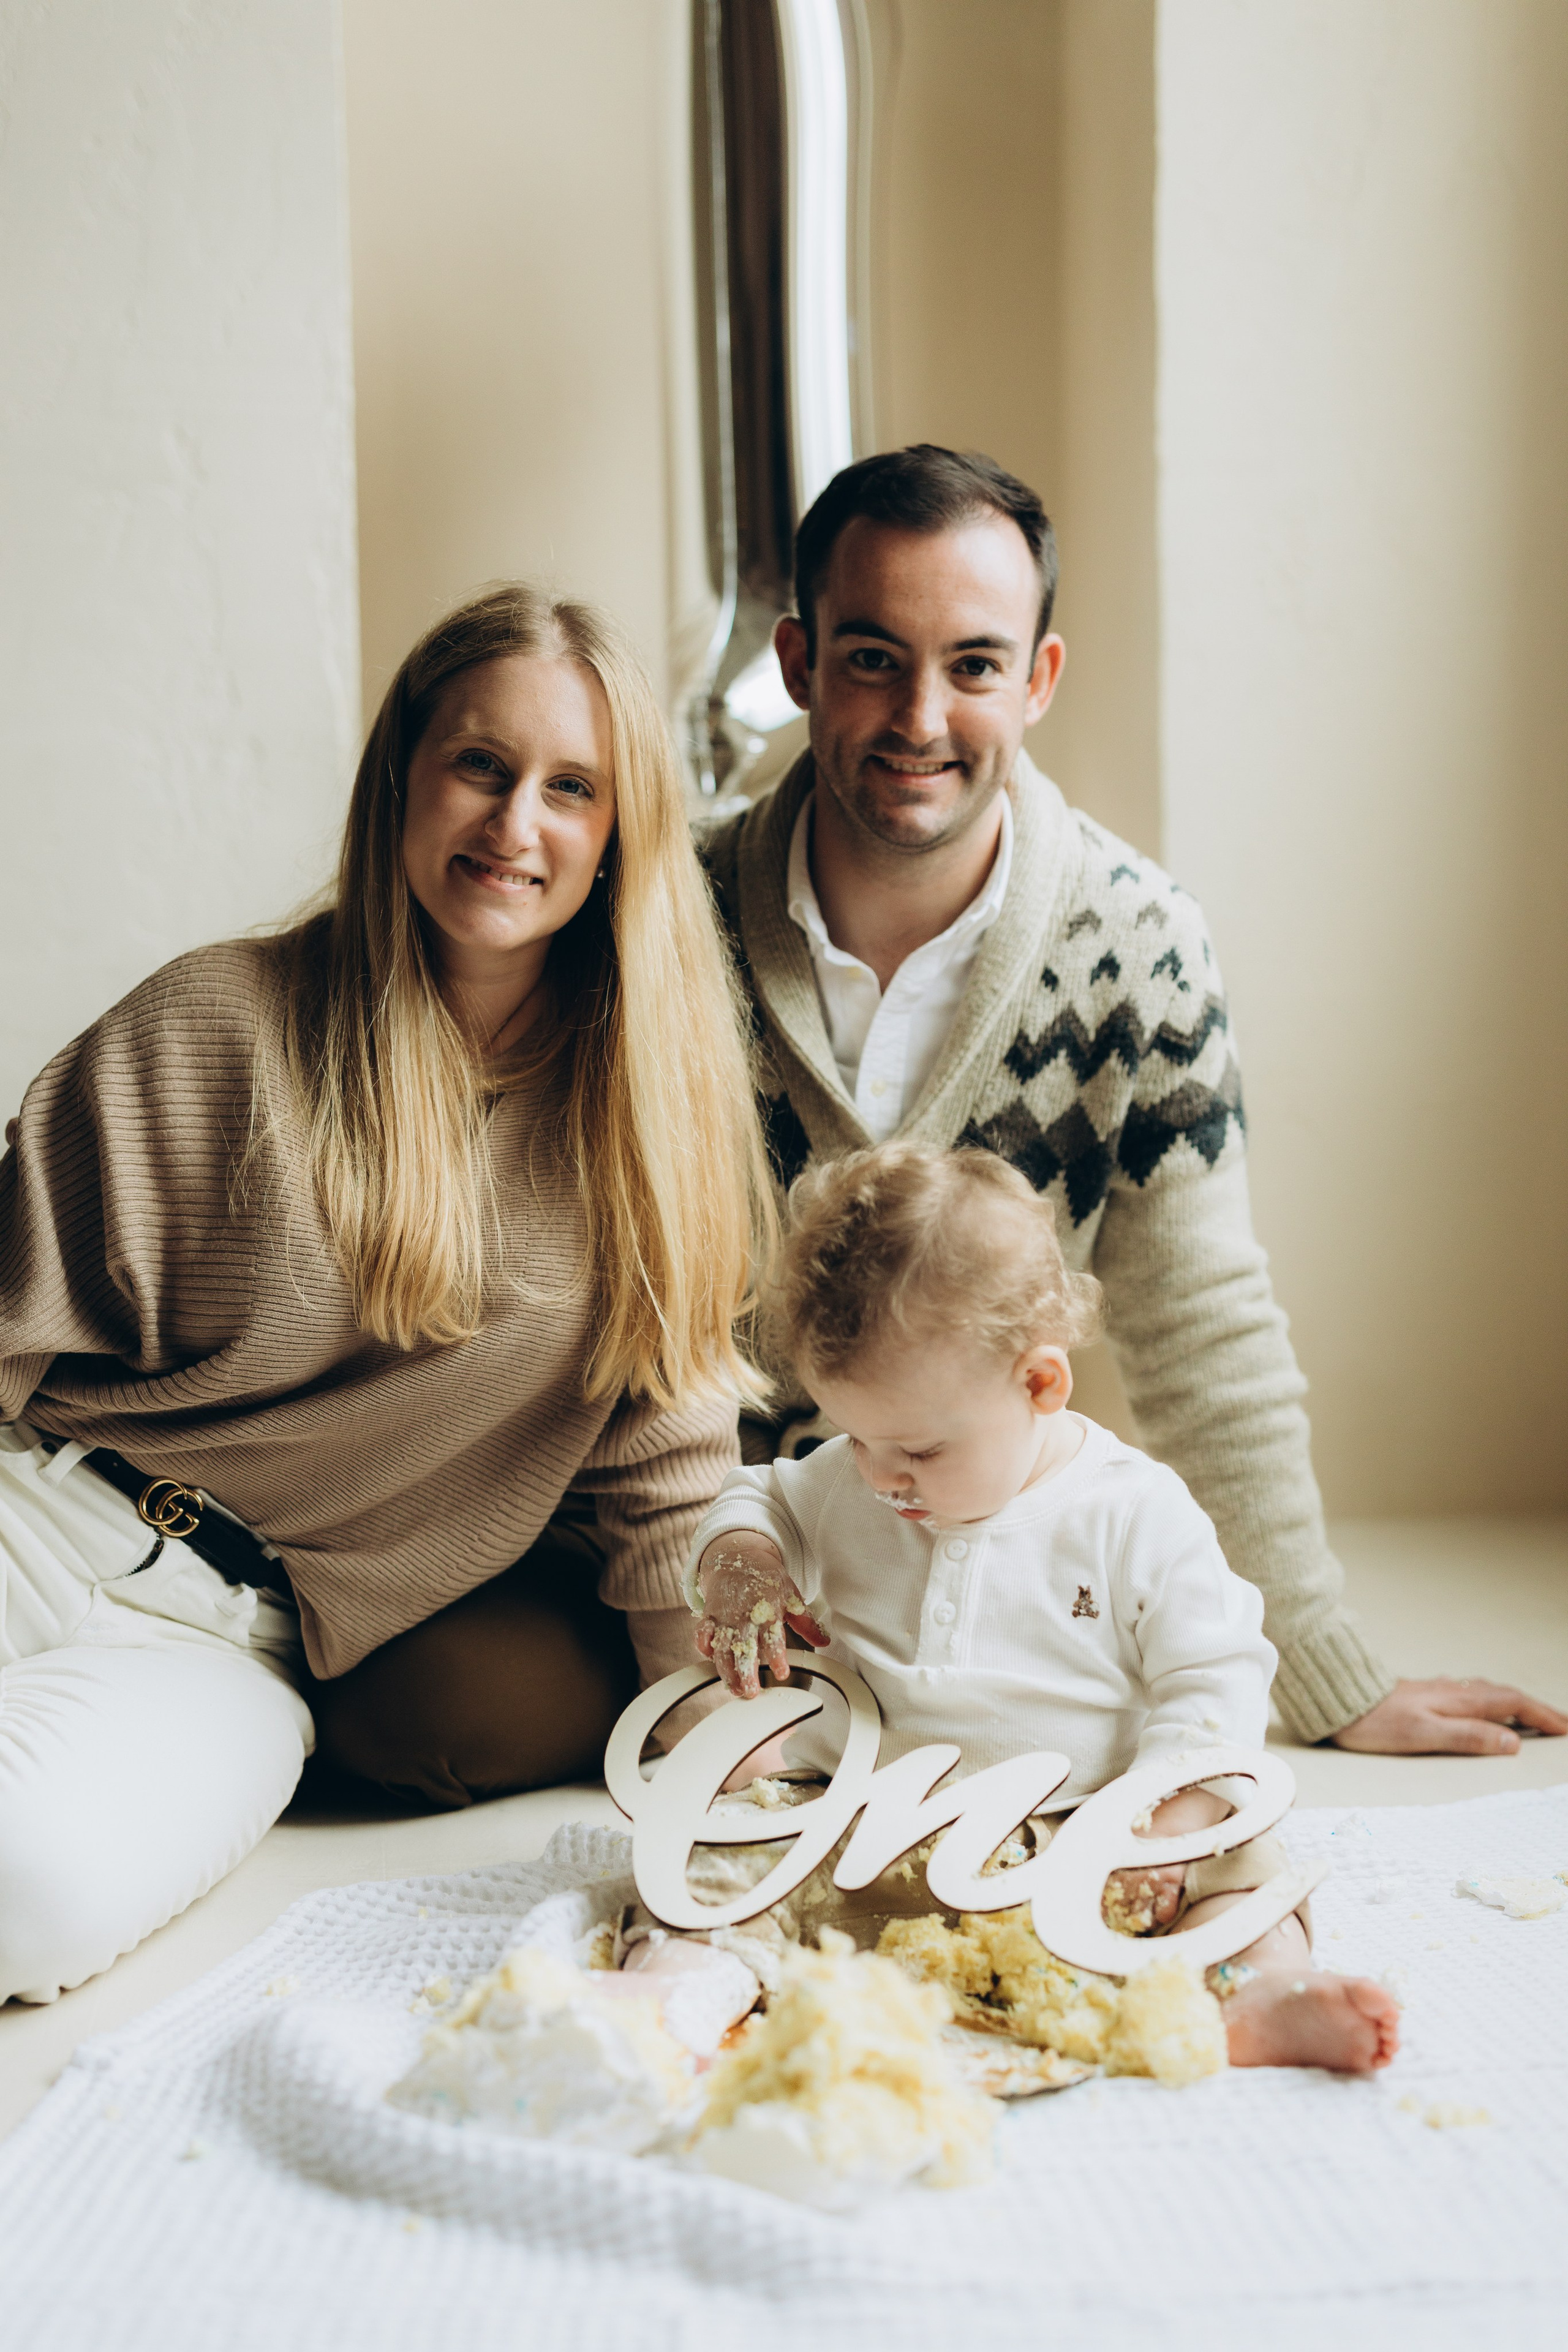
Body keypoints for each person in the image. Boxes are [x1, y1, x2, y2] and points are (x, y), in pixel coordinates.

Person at [698, 443, 1566, 1760]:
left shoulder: (1136, 943)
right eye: (872, 657)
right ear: (799, 663)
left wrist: (1319, 1669)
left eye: (974, 665)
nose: (921, 716)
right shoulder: (674, 926)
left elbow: (1196, 1323)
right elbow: (604, 1303)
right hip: (715, 1571)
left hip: (991, 1587)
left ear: (1037, 680)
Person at [0, 584, 771, 2005]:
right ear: (404, 776)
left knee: (28, 1901)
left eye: (570, 789)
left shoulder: (649, 1131)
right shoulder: (214, 1020)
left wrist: (731, 1792)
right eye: (480, 764)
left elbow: (666, 1497)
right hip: (42, 1514)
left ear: (616, 839)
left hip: (238, 1641)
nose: (513, 823)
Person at [682, 1142, 1402, 2073]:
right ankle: (688, 1985)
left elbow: (1215, 1673)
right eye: (854, 1436)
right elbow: (760, 1495)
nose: (879, 1475)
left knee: (1246, 1862)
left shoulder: (1132, 1511)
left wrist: (1171, 1821)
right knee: (721, 1841)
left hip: (1090, 1838)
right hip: (872, 1830)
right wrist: (745, 1558)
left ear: (1040, 1384)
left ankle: (1255, 1991)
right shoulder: (857, 1476)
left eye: (921, 1450)